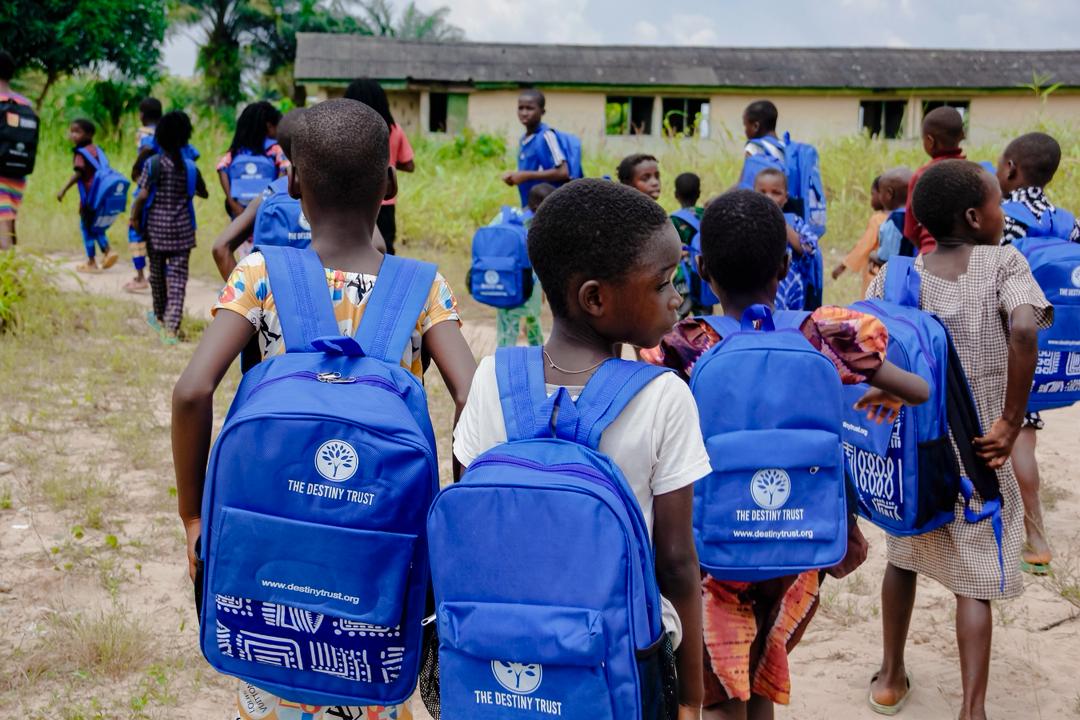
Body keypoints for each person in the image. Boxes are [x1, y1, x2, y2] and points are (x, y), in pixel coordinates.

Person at [172, 98, 476, 720]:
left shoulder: (258, 274)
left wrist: (193, 518)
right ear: (389, 186)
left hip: (273, 530)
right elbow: (471, 397)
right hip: (379, 538)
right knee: (375, 679)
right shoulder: (423, 287)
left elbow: (192, 391)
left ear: (291, 183)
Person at [641, 189, 928, 720]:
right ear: (783, 265)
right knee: (763, 671)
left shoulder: (685, 343)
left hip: (714, 545)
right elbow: (918, 389)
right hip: (801, 543)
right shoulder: (824, 334)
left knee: (723, 688)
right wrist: (882, 392)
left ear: (701, 269)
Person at [454, 178, 708, 720]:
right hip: (614, 666)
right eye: (662, 281)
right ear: (595, 297)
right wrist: (690, 697)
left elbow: (472, 527)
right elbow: (678, 563)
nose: (676, 296)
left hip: (502, 661)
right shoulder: (664, 396)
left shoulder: (490, 379)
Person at [867, 160, 1049, 719]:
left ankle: (892, 677)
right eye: (998, 203)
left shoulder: (898, 275)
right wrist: (1011, 421)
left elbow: (867, 347)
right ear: (975, 217)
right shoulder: (1004, 261)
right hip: (980, 452)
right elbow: (1023, 326)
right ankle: (972, 709)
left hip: (916, 452)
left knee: (903, 557)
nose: (1003, 212)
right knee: (973, 581)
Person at [996, 131, 1080, 575]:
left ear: (1010, 168)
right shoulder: (1067, 221)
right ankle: (1028, 532)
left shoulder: (1004, 218)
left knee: (1008, 435)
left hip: (1007, 342)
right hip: (1052, 349)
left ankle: (1033, 535)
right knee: (1022, 434)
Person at [129, 111, 208, 344]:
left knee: (157, 275)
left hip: (155, 230)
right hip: (183, 231)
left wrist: (134, 218)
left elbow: (142, 195)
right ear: (185, 138)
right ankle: (172, 327)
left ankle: (161, 317)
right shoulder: (191, 167)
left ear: (160, 137)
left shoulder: (153, 164)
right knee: (178, 278)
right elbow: (203, 192)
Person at [345, 78, 415, 256]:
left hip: (351, 200)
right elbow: (409, 165)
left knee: (352, 248)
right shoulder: (394, 129)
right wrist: (388, 162)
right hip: (384, 201)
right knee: (386, 250)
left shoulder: (345, 130)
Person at [493, 182, 553, 347]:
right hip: (526, 284)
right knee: (531, 320)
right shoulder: (537, 225)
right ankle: (537, 356)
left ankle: (507, 357)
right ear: (537, 205)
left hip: (507, 282)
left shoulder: (505, 217)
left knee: (509, 325)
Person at [57, 118, 119, 273]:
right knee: (96, 226)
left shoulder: (81, 153)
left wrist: (63, 189)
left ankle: (92, 261)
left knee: (86, 228)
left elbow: (79, 174)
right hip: (101, 195)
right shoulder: (97, 150)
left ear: (89, 134)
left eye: (77, 132)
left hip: (89, 198)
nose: (73, 135)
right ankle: (108, 251)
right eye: (71, 131)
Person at [753, 167, 818, 310]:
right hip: (756, 287)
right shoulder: (749, 222)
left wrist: (782, 224)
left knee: (790, 326)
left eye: (776, 193)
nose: (768, 197)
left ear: (785, 198)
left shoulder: (794, 222)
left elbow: (810, 249)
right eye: (762, 192)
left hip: (791, 287)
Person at [904, 107, 966, 255]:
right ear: (962, 135)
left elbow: (910, 230)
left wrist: (925, 248)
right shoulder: (976, 173)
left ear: (930, 141)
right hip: (968, 257)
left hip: (930, 254)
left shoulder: (921, 176)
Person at [216, 100, 287, 220]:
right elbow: (285, 168)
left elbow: (221, 168)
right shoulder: (275, 149)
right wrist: (272, 200)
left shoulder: (237, 150)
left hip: (240, 214)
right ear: (269, 126)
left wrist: (233, 204)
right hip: (266, 214)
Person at [501, 88, 570, 206]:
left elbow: (563, 172)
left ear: (542, 112)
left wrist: (525, 175)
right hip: (530, 207)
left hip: (548, 207)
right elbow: (533, 170)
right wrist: (514, 177)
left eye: (530, 108)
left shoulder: (546, 136)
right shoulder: (524, 139)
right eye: (520, 108)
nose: (524, 113)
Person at [122, 97, 163, 292]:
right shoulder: (166, 133)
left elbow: (146, 149)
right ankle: (161, 275)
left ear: (142, 115)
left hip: (144, 188)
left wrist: (136, 165)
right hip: (163, 189)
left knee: (135, 229)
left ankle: (140, 277)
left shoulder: (144, 133)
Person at [832, 175, 886, 295]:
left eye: (873, 194)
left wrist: (843, 266)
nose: (871, 199)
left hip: (875, 274)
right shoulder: (901, 219)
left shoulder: (877, 220)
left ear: (885, 195)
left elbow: (863, 246)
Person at [0, 49, 31, 250]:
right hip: (17, 173)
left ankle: (9, 275)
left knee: (2, 231)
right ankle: (13, 274)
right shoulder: (24, 103)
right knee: (8, 220)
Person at [869, 167, 914, 269]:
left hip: (898, 278)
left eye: (880, 192)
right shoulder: (917, 216)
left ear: (889, 194)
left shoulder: (894, 221)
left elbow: (886, 258)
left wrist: (873, 256)